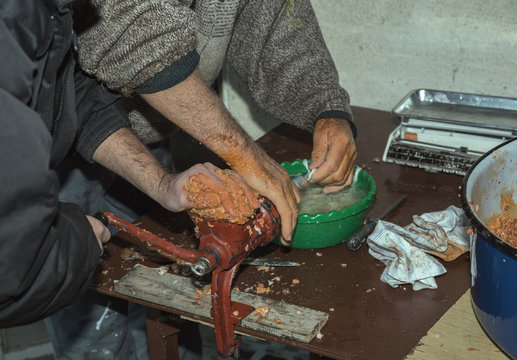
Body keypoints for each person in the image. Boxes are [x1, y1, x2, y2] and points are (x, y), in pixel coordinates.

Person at [43, 0, 359, 358]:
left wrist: (325, 105)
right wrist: (245, 155)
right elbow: (128, 31)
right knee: (91, 316)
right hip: (57, 151)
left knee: (170, 302)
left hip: (138, 135)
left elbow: (272, 13)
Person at [0, 0, 253, 334]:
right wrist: (75, 243)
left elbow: (78, 102)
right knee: (96, 331)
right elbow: (13, 266)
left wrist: (164, 185)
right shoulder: (11, 21)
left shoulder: (47, 13)